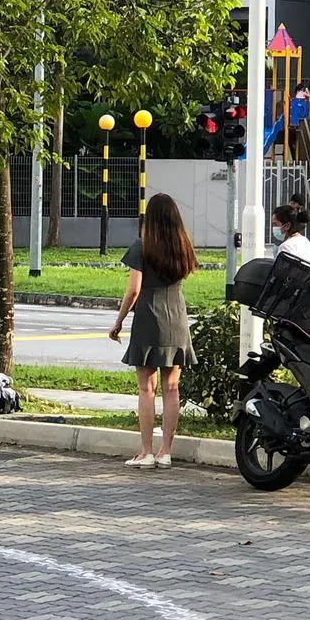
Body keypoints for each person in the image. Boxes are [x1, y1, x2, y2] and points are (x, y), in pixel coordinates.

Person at [109, 193, 198, 470]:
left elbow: (134, 289)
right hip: (177, 319)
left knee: (146, 388)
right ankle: (165, 452)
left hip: (149, 319)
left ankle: (146, 452)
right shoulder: (183, 246)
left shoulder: (142, 246)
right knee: (172, 388)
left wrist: (119, 321)